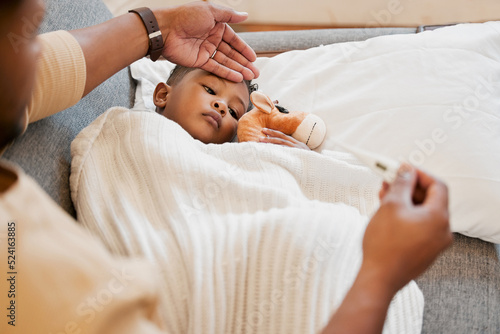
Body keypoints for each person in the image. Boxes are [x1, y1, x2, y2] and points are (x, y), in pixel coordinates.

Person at [0, 1, 452, 334]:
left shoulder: (234, 151)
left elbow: (43, 76)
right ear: (160, 96)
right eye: (30, 33)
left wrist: (161, 26)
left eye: (236, 111)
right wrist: (380, 272)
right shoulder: (128, 136)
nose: (223, 107)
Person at [153, 64, 311, 148]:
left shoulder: (235, 156)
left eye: (233, 112)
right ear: (163, 95)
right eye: (210, 89)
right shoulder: (135, 126)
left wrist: (302, 158)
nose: (222, 106)